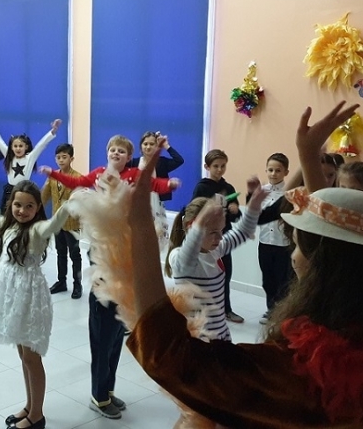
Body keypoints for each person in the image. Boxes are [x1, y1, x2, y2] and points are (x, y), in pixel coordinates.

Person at [116, 101, 363, 428]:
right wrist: (308, 155)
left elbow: (168, 357)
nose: (293, 254)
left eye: (298, 244)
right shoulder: (348, 324)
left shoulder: (298, 371)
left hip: (217, 336)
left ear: (322, 264)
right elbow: (335, 241)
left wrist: (141, 227)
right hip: (208, 333)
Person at [41, 134, 178, 420]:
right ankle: (99, 395)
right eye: (112, 149)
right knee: (103, 331)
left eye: (122, 151)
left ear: (129, 156)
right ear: (107, 153)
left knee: (117, 331)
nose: (116, 153)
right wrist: (52, 172)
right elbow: (77, 182)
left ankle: (108, 390)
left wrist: (169, 184)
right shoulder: (99, 175)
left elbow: (153, 184)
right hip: (103, 256)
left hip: (126, 259)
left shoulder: (134, 175)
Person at [0, 165, 69, 429]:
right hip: (12, 296)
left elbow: (55, 223)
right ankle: (30, 406)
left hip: (29, 298)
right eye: (18, 205)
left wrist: (69, 203)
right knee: (23, 356)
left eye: (29, 206)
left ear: (37, 208)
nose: (22, 211)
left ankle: (37, 416)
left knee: (32, 358)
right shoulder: (7, 225)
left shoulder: (38, 230)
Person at [164, 178, 267, 342]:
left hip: (220, 334)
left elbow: (243, 232)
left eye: (221, 230)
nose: (220, 237)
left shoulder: (215, 250)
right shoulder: (179, 258)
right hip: (197, 341)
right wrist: (201, 220)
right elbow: (189, 253)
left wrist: (254, 205)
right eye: (213, 232)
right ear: (193, 228)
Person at [192, 149, 244, 323]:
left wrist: (235, 211)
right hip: (205, 239)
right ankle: (201, 311)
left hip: (223, 238)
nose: (220, 169)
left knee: (224, 273)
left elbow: (236, 217)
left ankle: (226, 310)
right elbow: (192, 211)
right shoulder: (202, 187)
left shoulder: (228, 188)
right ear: (207, 167)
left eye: (223, 166)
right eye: (216, 166)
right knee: (204, 276)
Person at [252, 153, 292, 324]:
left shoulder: (289, 193)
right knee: (268, 280)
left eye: (278, 170)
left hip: (284, 244)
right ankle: (270, 310)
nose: (274, 174)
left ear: (286, 172)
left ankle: (282, 314)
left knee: (284, 281)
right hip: (265, 243)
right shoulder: (261, 192)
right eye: (270, 170)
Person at [0, 115, 61, 210]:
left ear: (26, 147)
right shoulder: (8, 155)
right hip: (10, 190)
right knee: (7, 213)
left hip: (24, 190)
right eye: (15, 146)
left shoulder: (30, 158)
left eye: (20, 146)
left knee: (23, 213)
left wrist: (54, 130)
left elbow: (42, 144)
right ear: (11, 147)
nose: (18, 148)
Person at [40, 144, 83, 298]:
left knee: (75, 254)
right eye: (58, 157)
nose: (61, 160)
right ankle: (61, 281)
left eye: (64, 157)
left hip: (72, 222)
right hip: (57, 222)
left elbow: (82, 200)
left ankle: (77, 284)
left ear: (71, 159)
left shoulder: (78, 177)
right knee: (60, 253)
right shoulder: (53, 176)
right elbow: (44, 196)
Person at [128, 131, 184, 201]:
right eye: (145, 144)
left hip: (157, 201)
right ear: (141, 146)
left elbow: (179, 160)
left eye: (152, 144)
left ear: (157, 146)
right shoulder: (133, 163)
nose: (148, 147)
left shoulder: (162, 163)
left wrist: (166, 145)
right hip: (137, 201)